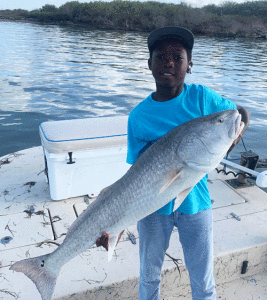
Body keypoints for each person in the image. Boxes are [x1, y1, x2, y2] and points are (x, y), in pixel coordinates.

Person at [126, 27, 250, 300]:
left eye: (177, 56)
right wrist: (121, 217)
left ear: (189, 64)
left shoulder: (202, 98)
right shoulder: (138, 117)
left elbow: (239, 114)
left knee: (203, 281)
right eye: (161, 56)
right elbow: (135, 173)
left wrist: (226, 145)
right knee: (148, 277)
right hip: (151, 209)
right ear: (149, 64)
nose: (168, 62)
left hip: (196, 203)